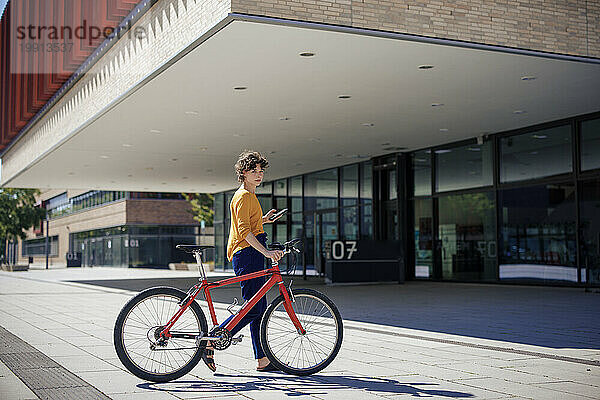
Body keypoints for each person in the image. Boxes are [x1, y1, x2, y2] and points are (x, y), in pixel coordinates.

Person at [202, 150, 284, 373]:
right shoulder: (243, 196)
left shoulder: (249, 196)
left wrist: (264, 219)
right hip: (247, 254)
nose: (258, 175)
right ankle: (214, 337)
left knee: (259, 307)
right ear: (243, 173)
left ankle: (262, 360)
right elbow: (245, 232)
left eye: (261, 171)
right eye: (253, 171)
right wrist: (267, 253)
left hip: (251, 253)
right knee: (252, 307)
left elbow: (250, 225)